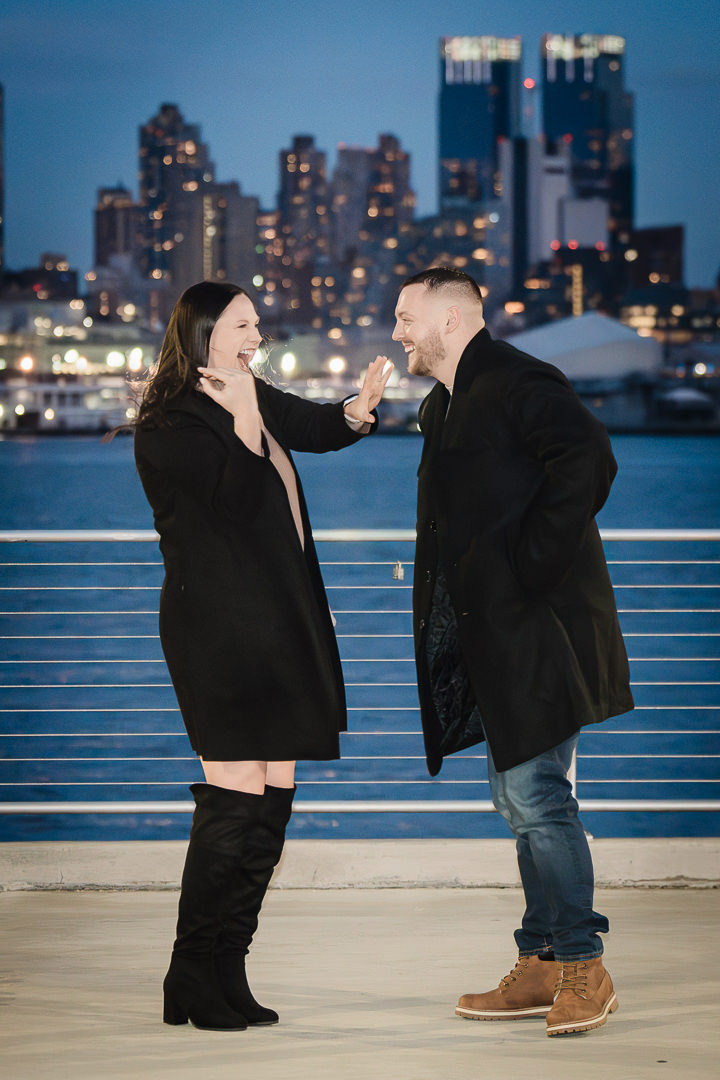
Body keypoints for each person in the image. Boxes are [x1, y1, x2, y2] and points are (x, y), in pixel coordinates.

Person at [134, 280, 392, 1031]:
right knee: (236, 791)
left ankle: (227, 967)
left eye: (258, 324)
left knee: (274, 790)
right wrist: (247, 425)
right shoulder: (169, 421)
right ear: (206, 331)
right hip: (218, 628)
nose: (258, 334)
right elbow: (235, 504)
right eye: (244, 323)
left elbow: (312, 428)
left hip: (279, 620)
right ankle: (188, 972)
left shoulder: (249, 393)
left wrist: (354, 411)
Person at [393, 267, 634, 1038]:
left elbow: (589, 456)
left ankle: (582, 968)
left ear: (453, 318)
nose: (397, 332)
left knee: (536, 795)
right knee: (517, 800)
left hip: (543, 629)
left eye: (406, 318)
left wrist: (533, 563)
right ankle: (538, 964)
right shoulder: (448, 403)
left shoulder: (520, 378)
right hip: (497, 634)